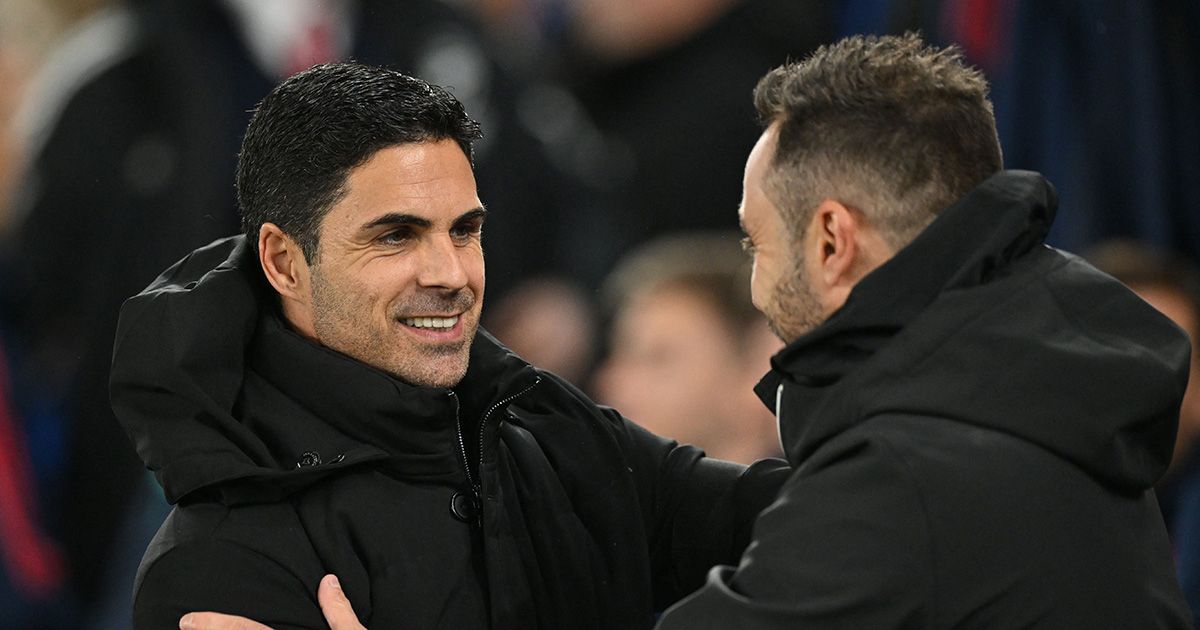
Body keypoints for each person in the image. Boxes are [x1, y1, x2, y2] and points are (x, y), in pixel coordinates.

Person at [188, 33, 1194, 630]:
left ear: (834, 240)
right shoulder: (1039, 412)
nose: (754, 284)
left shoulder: (910, 480)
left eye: (756, 244)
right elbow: (696, 499)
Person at [110, 62, 787, 629]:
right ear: (285, 262)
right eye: (395, 235)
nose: (452, 275)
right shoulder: (218, 568)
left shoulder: (551, 433)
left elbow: (809, 523)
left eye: (464, 231)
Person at [593, 231, 782, 464]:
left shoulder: (825, 496)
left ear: (757, 370)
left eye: (659, 358)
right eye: (618, 353)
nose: (611, 381)